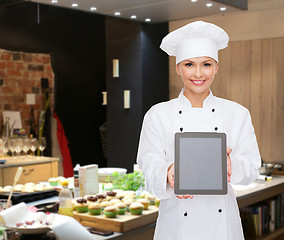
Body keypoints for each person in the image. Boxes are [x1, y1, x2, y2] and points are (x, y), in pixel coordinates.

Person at [136, 21, 261, 240]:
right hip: (175, 228)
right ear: (178, 68)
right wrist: (167, 174)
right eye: (189, 64)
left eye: (206, 64)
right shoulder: (157, 115)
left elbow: (252, 168)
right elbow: (147, 169)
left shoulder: (237, 113)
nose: (198, 73)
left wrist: (233, 166)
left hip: (222, 229)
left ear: (216, 68)